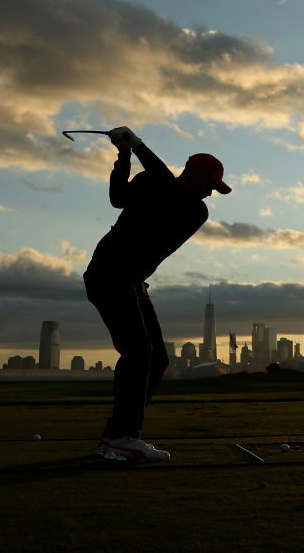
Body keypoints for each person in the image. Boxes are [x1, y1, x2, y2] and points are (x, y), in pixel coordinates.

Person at [84, 127, 231, 462]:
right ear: (191, 174)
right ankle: (123, 437)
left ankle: (117, 434)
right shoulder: (155, 183)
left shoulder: (194, 210)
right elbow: (118, 197)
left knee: (157, 359)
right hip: (108, 274)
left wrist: (137, 146)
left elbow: (168, 187)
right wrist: (124, 156)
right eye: (208, 183)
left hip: (130, 280)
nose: (210, 193)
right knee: (138, 353)